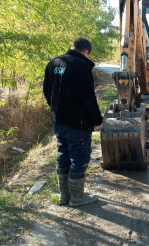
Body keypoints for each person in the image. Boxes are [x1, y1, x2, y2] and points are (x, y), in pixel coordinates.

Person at [43, 38, 103, 206]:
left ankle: (65, 196)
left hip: (58, 122)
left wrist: (56, 111)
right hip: (78, 124)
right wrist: (98, 121)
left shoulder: (54, 63)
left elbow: (47, 92)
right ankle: (77, 198)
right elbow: (88, 98)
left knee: (63, 156)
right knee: (79, 158)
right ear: (85, 52)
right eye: (88, 54)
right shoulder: (81, 66)